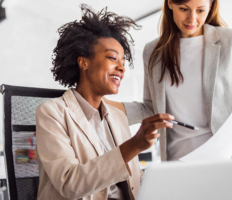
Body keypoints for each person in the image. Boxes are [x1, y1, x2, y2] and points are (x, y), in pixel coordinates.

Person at [104, 0, 232, 199]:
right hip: (180, 169)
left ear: (211, 6)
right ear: (170, 3)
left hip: (230, 164)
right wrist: (96, 104)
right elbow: (150, 108)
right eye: (184, 9)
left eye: (200, 10)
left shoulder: (231, 41)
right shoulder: (153, 51)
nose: (192, 19)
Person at [35, 5, 174, 200]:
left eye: (124, 62)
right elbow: (69, 183)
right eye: (112, 58)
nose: (121, 68)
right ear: (84, 62)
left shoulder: (117, 117)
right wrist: (134, 145)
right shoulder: (51, 113)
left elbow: (134, 181)